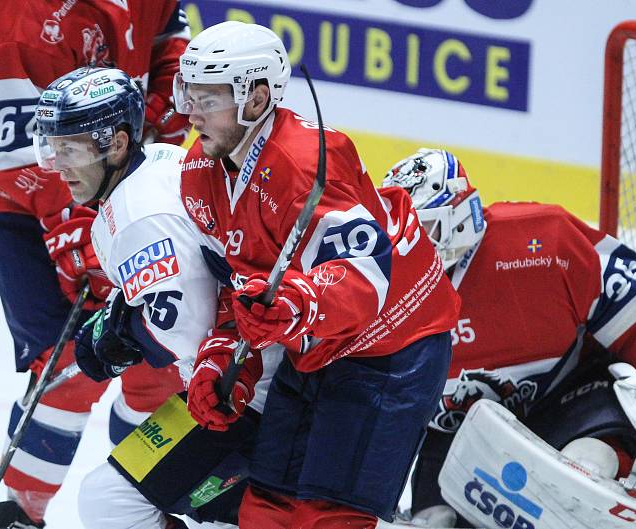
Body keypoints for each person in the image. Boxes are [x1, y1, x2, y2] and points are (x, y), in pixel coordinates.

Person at [175, 21, 461, 528]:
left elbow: (365, 271)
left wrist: (294, 305)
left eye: (209, 98)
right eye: (188, 94)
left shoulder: (303, 163)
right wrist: (224, 357)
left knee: (328, 518)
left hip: (389, 348)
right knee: (268, 509)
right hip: (313, 347)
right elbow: (233, 286)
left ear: (256, 97)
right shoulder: (201, 174)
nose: (192, 113)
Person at [381, 148, 636, 526]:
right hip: (459, 435)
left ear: (460, 218)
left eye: (424, 230)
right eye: (397, 230)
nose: (407, 248)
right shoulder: (374, 282)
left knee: (587, 463)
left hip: (571, 403)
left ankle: (626, 483)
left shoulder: (541, 242)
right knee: (434, 521)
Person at [0, 1, 191, 527]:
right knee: (66, 362)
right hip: (29, 206)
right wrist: (76, 228)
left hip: (120, 183)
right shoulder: (22, 19)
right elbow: (16, 152)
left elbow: (171, 45)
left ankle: (143, 494)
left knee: (155, 358)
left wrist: (145, 127)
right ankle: (19, 510)